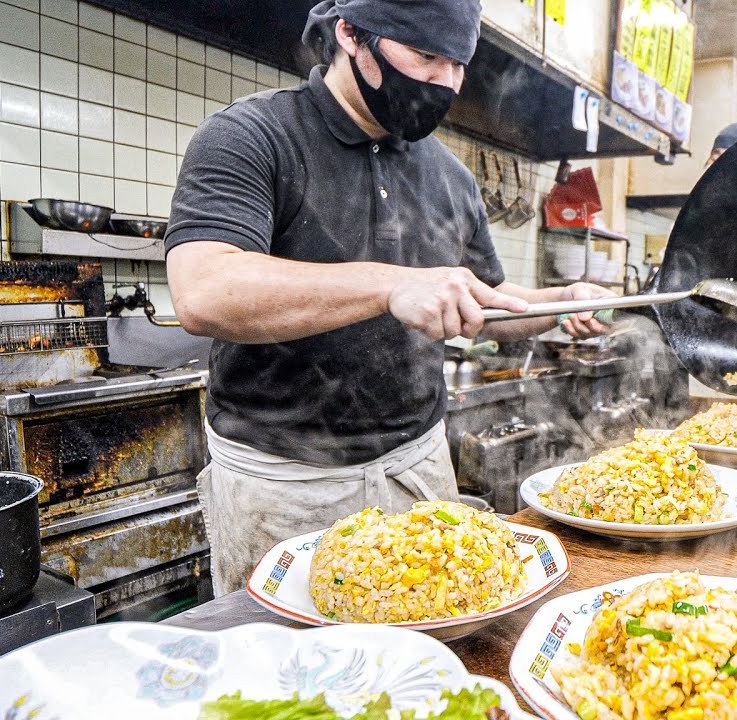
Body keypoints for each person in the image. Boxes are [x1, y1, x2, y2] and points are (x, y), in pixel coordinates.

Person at [164, 0, 613, 594]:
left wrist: (561, 301)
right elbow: (203, 290)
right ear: (351, 34)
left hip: (418, 469)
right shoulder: (252, 134)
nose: (444, 82)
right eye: (425, 55)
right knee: (289, 651)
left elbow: (486, 300)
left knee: (438, 645)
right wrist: (391, 284)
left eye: (458, 64)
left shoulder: (451, 178)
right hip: (284, 485)